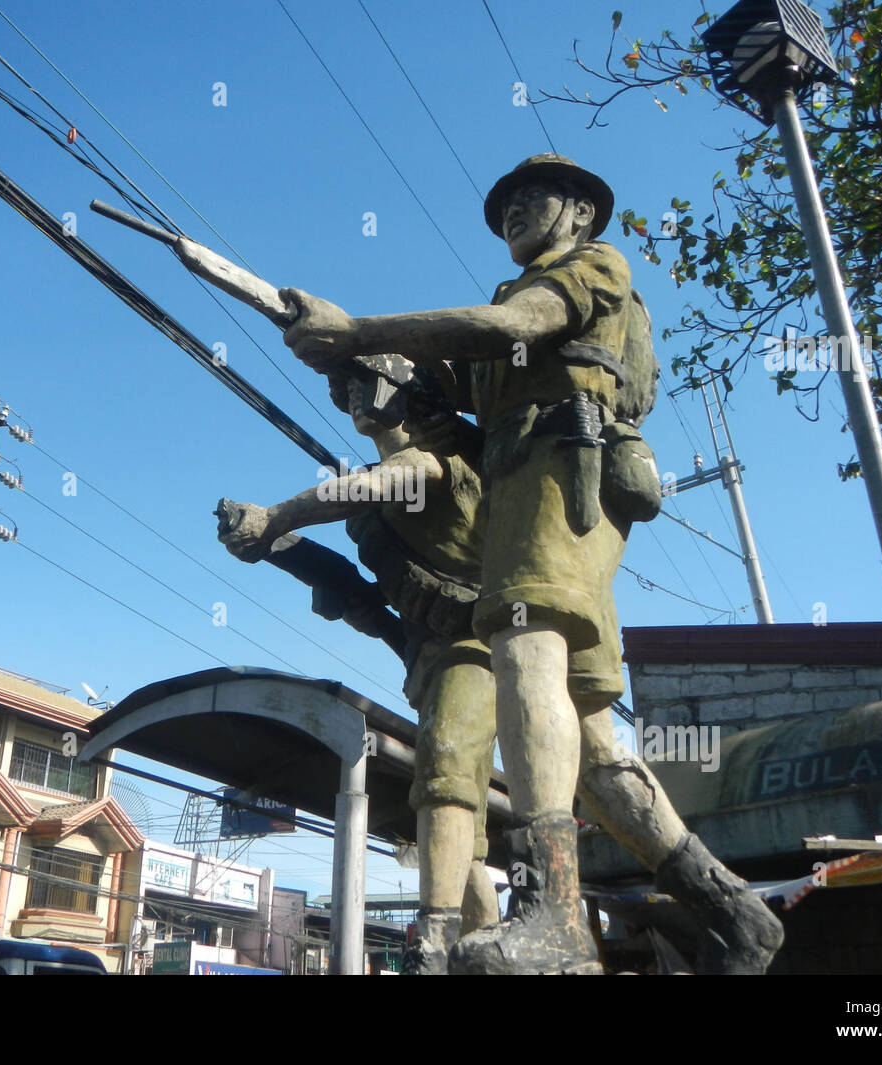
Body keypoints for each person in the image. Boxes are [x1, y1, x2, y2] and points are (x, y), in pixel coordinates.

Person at [280, 153, 783, 975]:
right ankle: (734, 908)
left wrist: (363, 331)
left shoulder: (593, 267)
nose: (514, 209)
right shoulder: (515, 305)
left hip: (565, 471)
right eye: (505, 201)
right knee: (590, 745)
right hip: (525, 485)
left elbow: (508, 331)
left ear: (582, 211)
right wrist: (346, 349)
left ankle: (555, 910)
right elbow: (450, 387)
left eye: (532, 197)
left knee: (525, 650)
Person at [216, 366, 502, 972]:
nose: (353, 396)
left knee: (445, 780)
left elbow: (375, 485)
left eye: (366, 381)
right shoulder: (370, 508)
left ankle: (436, 938)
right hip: (424, 653)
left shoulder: (432, 464)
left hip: (477, 648)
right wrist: (282, 552)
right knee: (454, 824)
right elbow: (368, 596)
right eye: (344, 388)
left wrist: (277, 519)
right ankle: (484, 947)